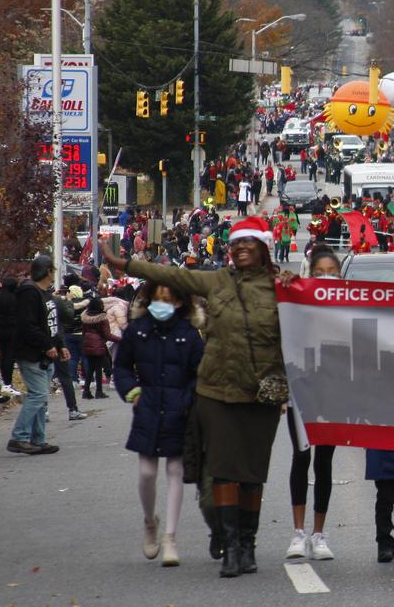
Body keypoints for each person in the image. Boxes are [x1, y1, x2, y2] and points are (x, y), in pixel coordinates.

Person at [102, 215, 288, 579]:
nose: (241, 248)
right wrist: (122, 263)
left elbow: (318, 316)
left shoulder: (280, 287)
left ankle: (248, 546)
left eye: (249, 243)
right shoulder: (216, 281)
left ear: (264, 247)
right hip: (215, 392)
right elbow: (170, 275)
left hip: (261, 394)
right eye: (236, 244)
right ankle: (231, 548)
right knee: (221, 470)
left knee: (251, 475)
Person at [114, 282, 204, 567]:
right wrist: (133, 391)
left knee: (176, 469)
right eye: (157, 298)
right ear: (149, 300)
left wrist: (189, 399)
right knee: (147, 472)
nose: (162, 304)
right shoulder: (137, 331)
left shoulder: (189, 334)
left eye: (168, 298)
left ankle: (170, 538)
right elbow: (122, 366)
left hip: (179, 410)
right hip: (148, 407)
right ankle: (149, 521)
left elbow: (197, 372)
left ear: (179, 302)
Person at [281, 249, 340, 562]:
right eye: (320, 271)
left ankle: (319, 534)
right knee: (301, 456)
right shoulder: (297, 303)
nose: (327, 276)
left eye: (333, 270)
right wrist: (288, 283)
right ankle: (298, 532)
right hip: (300, 392)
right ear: (310, 273)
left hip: (332, 395)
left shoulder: (348, 306)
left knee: (324, 462)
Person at [7, 255, 65, 455]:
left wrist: (60, 344)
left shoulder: (45, 293)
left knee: (41, 398)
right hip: (32, 353)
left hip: (46, 353)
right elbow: (28, 326)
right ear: (48, 271)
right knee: (38, 395)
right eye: (53, 271)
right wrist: (46, 344)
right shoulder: (29, 292)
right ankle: (19, 436)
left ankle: (38, 439)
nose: (53, 274)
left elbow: (51, 323)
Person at [81, 297, 119, 399]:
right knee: (98, 369)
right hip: (98, 346)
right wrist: (120, 340)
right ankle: (99, 391)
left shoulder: (85, 317)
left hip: (87, 344)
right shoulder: (102, 318)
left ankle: (86, 391)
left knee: (90, 368)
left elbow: (84, 332)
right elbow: (107, 335)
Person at [0, 278, 20, 395]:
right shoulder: (15, 298)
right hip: (12, 329)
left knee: (3, 355)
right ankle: (7, 383)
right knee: (9, 356)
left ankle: (4, 381)